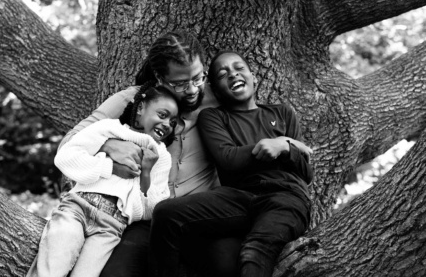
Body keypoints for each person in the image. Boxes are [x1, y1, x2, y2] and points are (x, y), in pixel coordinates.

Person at [60, 32, 312, 277]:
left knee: (229, 267)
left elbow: (257, 119)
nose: (192, 90)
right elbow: (70, 143)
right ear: (160, 77)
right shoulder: (135, 100)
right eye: (180, 83)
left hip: (202, 217)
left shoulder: (220, 97)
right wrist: (108, 145)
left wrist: (289, 143)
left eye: (198, 78)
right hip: (145, 216)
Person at [149, 50, 313, 277]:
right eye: (223, 74)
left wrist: (284, 148)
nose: (233, 75)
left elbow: (306, 173)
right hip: (239, 198)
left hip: (286, 198)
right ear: (215, 89)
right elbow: (229, 159)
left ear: (253, 76)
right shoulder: (214, 117)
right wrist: (272, 144)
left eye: (239, 68)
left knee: (254, 254)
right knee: (166, 214)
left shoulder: (282, 112)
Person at [27, 84, 178, 277]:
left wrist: (146, 172)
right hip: (78, 207)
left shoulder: (161, 156)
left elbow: (151, 210)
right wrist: (110, 168)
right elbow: (66, 157)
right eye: (162, 115)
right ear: (140, 108)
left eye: (173, 122)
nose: (167, 124)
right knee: (53, 264)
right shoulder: (108, 128)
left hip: (111, 226)